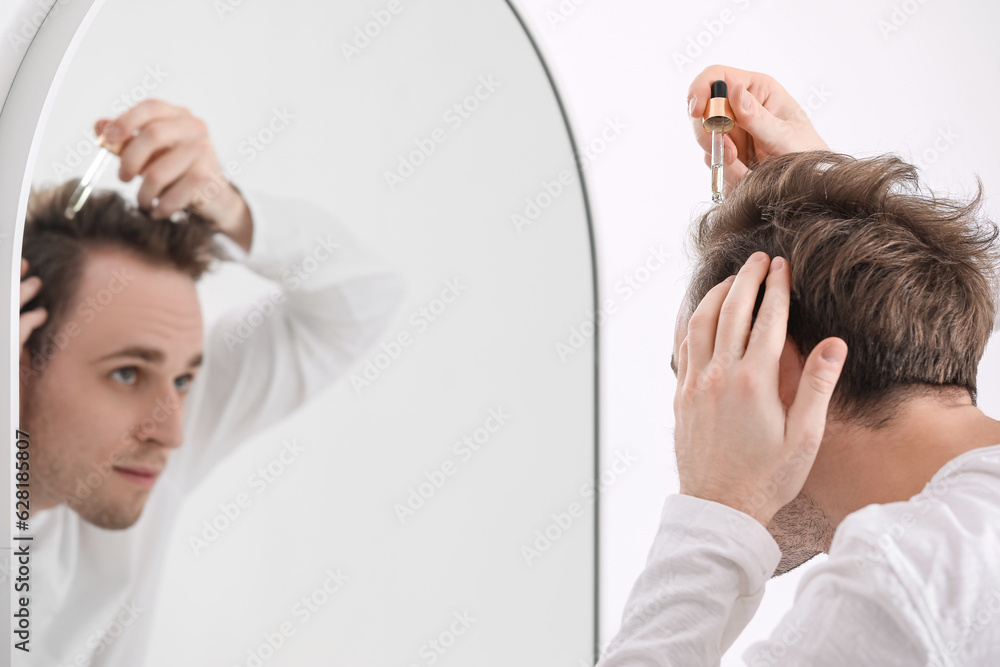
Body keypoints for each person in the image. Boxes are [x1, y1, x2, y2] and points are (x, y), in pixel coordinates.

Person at [597, 66, 1000, 665]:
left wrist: (714, 516)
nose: (691, 423)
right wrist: (835, 207)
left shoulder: (899, 590)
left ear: (770, 364)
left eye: (705, 374)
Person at [16, 99, 404, 665]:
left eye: (184, 379)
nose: (171, 432)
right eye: (127, 373)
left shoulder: (153, 445)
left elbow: (362, 300)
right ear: (18, 356)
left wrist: (228, 209)